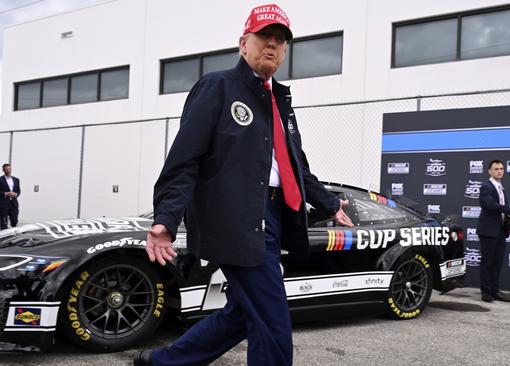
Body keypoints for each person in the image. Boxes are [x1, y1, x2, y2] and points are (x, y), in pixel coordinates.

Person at [135, 4, 353, 366]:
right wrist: (166, 219)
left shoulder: (281, 101)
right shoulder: (218, 87)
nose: (272, 45)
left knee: (242, 313)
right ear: (243, 44)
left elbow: (295, 167)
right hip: (237, 219)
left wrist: (329, 203)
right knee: (273, 321)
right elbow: (184, 159)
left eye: (280, 41)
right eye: (264, 37)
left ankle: (160, 362)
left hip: (274, 216)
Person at [476, 159, 510, 303]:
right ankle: (485, 293)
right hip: (488, 230)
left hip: (500, 231)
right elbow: (490, 205)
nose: (499, 171)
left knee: (497, 263)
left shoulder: (501, 188)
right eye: (496, 169)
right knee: (487, 263)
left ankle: (495, 291)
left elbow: (504, 206)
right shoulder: (486, 186)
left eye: (501, 168)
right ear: (490, 171)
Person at [0, 163, 21, 230]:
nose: (8, 170)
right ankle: (4, 235)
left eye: (9, 169)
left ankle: (13, 231)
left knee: (14, 220)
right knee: (4, 222)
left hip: (13, 203)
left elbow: (18, 190)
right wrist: (5, 193)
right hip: (3, 203)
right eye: (6, 169)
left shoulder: (16, 180)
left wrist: (16, 194)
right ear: (3, 170)